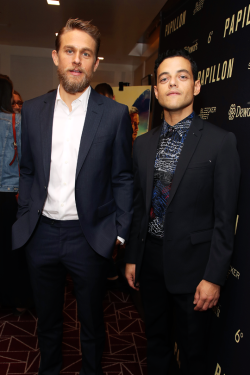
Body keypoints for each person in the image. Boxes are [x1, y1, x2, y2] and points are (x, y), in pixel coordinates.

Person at [12, 18, 133, 375]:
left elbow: (123, 177)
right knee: (47, 323)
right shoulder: (32, 111)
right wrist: (25, 216)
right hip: (42, 234)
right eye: (69, 51)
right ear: (55, 56)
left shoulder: (114, 115)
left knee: (92, 325)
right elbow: (29, 171)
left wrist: (119, 232)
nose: (76, 60)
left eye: (86, 54)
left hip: (90, 236)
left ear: (96, 63)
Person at [125, 49, 240, 375]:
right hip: (150, 264)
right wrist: (133, 255)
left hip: (195, 270)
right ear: (156, 92)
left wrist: (213, 277)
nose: (172, 83)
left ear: (197, 86)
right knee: (156, 342)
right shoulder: (143, 144)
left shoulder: (220, 143)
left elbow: (224, 217)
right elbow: (138, 205)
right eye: (164, 78)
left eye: (182, 76)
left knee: (193, 353)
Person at [0, 77, 32, 314]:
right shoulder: (16, 121)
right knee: (15, 249)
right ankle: (19, 300)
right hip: (11, 195)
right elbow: (28, 161)